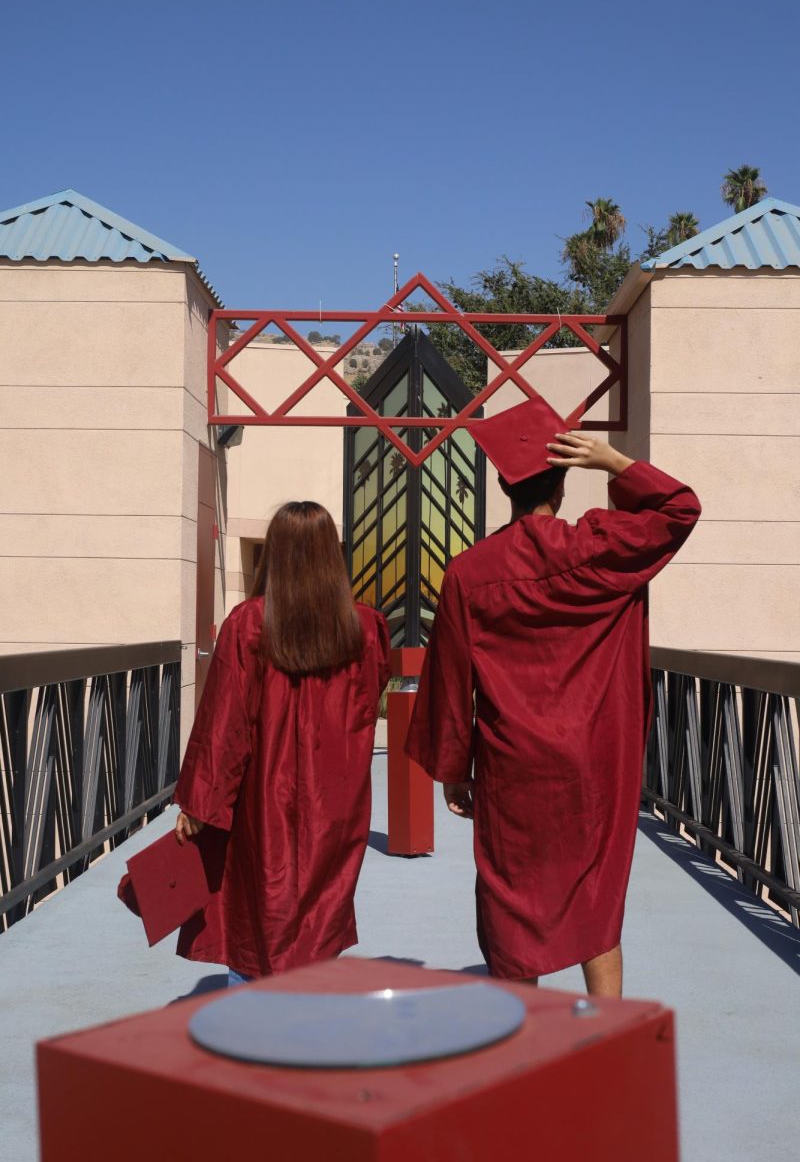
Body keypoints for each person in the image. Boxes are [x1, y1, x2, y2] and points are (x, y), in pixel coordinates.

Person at [405, 396, 701, 997]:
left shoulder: (470, 572)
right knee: (595, 895)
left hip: (512, 760)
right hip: (596, 758)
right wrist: (613, 461)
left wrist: (453, 772)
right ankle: (605, 1048)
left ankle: (528, 1055)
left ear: (501, 485)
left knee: (514, 898)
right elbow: (679, 507)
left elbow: (450, 678)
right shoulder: (602, 547)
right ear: (563, 486)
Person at [173, 501, 391, 985]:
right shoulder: (364, 628)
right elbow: (368, 706)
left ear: (274, 555)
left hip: (261, 804)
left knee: (258, 918)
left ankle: (256, 1040)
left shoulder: (248, 624)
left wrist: (199, 802)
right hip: (335, 801)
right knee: (319, 917)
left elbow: (224, 725)